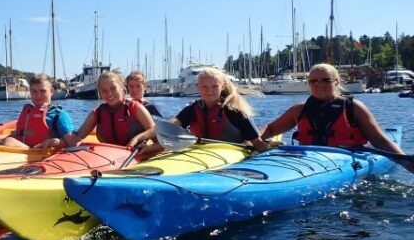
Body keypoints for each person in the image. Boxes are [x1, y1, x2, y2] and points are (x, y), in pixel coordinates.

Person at [261, 63, 404, 153]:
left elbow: (379, 141)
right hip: (308, 159)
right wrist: (253, 140)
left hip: (345, 159)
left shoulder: (353, 108)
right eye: (313, 81)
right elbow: (271, 129)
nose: (319, 84)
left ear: (336, 82)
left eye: (325, 80)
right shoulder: (299, 110)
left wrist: (404, 160)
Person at [151, 66, 270, 151]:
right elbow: (169, 127)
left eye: (214, 87)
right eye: (204, 87)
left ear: (222, 86)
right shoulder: (193, 109)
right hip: (200, 154)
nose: (210, 91)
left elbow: (258, 144)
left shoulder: (234, 110)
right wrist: (141, 140)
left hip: (232, 154)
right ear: (198, 87)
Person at [65, 71, 156, 148]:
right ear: (99, 93)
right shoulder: (97, 113)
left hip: (136, 155)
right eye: (104, 91)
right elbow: (78, 136)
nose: (109, 94)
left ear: (122, 88)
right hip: (109, 158)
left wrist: (138, 138)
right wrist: (58, 141)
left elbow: (155, 131)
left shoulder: (135, 108)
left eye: (113, 88)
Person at [1, 73, 75, 149]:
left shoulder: (59, 115)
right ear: (30, 92)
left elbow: (73, 142)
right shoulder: (27, 112)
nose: (38, 95)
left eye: (42, 91)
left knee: (8, 142)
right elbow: (23, 134)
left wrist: (56, 142)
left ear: (51, 91)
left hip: (46, 155)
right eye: (34, 91)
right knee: (8, 141)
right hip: (26, 152)